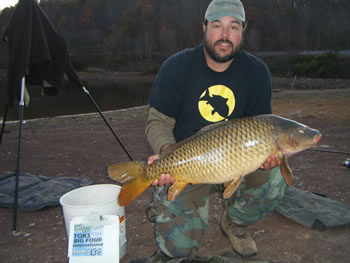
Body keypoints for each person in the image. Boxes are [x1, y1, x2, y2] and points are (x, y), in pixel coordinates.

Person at [144, 0, 287, 260]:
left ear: (243, 30)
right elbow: (158, 121)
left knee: (276, 177)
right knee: (178, 250)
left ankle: (235, 223)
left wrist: (266, 160)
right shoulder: (176, 67)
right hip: (189, 166)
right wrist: (167, 152)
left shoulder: (256, 72)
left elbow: (259, 127)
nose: (225, 35)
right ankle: (174, 202)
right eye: (217, 26)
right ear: (204, 28)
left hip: (237, 162)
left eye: (233, 27)